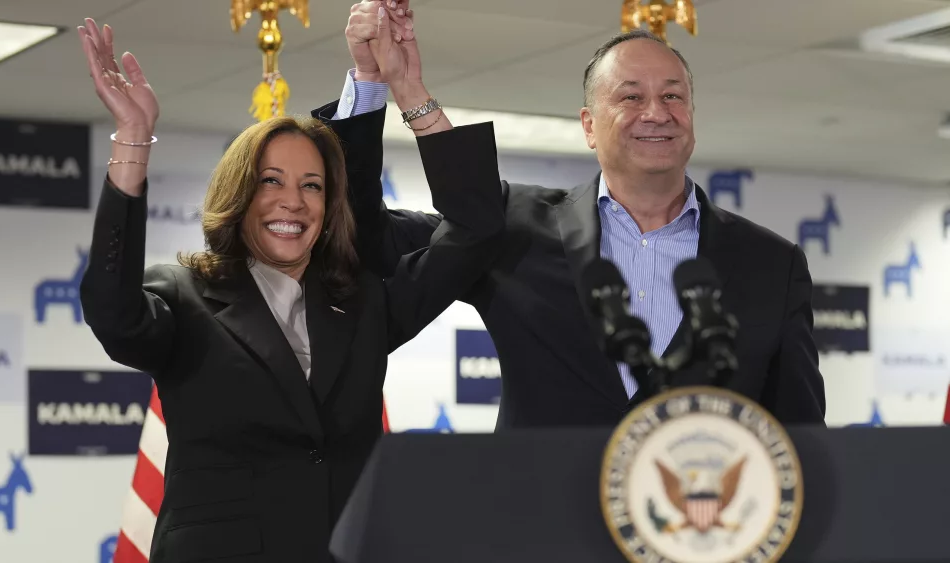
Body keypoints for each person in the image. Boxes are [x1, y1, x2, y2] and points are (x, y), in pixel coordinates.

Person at [76, 12, 503, 563]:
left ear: (329, 209)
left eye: (312, 186)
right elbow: (113, 315)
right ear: (239, 195)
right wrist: (133, 141)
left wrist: (408, 90)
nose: (293, 202)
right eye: (270, 182)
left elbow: (476, 228)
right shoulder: (185, 297)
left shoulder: (366, 302)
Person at [312, 1, 825, 428]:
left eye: (674, 95)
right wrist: (381, 84)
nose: (657, 112)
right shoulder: (511, 225)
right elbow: (364, 235)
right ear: (588, 125)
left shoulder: (772, 265)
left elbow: (801, 437)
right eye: (631, 96)